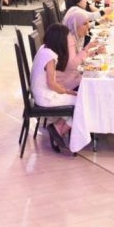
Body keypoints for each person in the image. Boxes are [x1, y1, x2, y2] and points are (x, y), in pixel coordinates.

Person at [30, 23, 79, 153]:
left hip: (39, 93)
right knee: (82, 102)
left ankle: (58, 127)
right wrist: (65, 91)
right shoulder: (50, 57)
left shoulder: (43, 49)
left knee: (77, 98)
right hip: (45, 97)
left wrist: (65, 91)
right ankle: (60, 130)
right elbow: (51, 83)